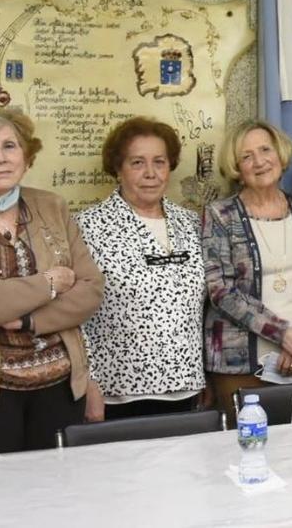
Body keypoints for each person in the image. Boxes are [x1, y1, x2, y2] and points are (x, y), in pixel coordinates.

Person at [0, 108, 103, 468]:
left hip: (60, 391)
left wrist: (22, 319)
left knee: (54, 504)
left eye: (10, 146)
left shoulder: (52, 205)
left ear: (26, 156)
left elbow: (91, 290)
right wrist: (49, 282)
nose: (0, 158)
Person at [202, 120, 292, 421]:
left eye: (265, 149)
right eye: (246, 156)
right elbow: (221, 290)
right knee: (249, 452)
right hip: (239, 364)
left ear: (280, 153)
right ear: (236, 166)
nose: (259, 161)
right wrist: (283, 335)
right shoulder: (219, 214)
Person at [76, 117, 207, 420]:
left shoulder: (190, 223)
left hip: (185, 387)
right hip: (117, 393)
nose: (150, 174)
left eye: (159, 162)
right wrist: (87, 382)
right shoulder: (89, 226)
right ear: (118, 169)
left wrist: (205, 377)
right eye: (137, 163)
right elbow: (74, 316)